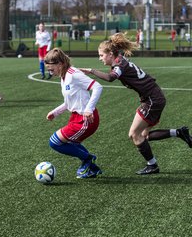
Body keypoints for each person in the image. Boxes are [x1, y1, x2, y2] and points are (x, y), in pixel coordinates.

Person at [80, 32, 192, 175]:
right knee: (144, 136)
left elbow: (110, 78)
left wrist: (91, 71)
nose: (100, 58)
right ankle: (179, 132)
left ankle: (153, 166)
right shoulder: (120, 60)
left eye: (101, 55)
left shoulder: (119, 65)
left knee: (134, 134)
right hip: (153, 97)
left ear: (110, 54)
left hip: (152, 100)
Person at [44, 48, 103, 179]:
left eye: (51, 69)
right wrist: (55, 112)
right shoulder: (63, 76)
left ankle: (88, 159)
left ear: (60, 64)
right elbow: (68, 102)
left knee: (54, 142)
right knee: (71, 144)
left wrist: (89, 109)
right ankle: (93, 169)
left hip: (86, 119)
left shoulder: (73, 74)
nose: (50, 72)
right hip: (76, 117)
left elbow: (97, 87)